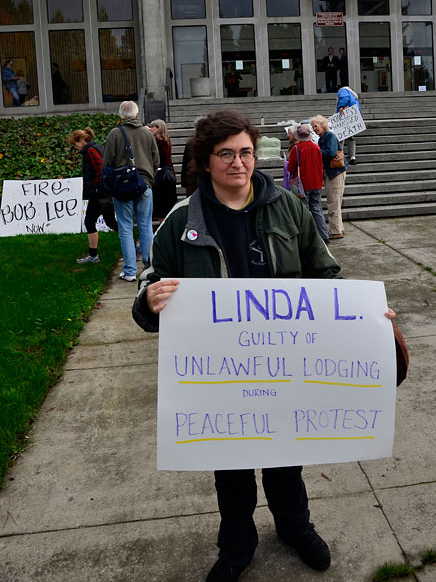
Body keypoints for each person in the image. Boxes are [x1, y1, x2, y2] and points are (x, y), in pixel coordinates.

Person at [131, 110, 405, 581]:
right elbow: (150, 282)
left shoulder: (289, 208)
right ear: (206, 160)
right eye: (225, 154)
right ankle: (236, 548)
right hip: (221, 377)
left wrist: (365, 316)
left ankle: (296, 528)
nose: (237, 163)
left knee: (285, 462)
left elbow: (325, 274)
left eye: (245, 152)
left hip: (284, 371)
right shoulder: (180, 222)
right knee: (230, 469)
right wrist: (149, 300)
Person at [102, 101, 159, 281]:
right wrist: (149, 178)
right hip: (144, 184)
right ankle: (149, 267)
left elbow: (107, 162)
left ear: (121, 114)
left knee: (125, 227)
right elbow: (156, 160)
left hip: (122, 185)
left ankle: (129, 271)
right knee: (145, 226)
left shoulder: (115, 134)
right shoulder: (147, 133)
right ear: (136, 113)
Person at [69, 127, 118, 263]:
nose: (75, 147)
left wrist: (96, 188)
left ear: (82, 140)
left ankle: (93, 255)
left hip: (98, 194)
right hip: (103, 193)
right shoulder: (94, 149)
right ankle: (134, 245)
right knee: (110, 222)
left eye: (75, 143)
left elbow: (100, 170)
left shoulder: (90, 151)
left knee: (89, 221)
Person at [287, 123, 328, 243]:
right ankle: (324, 235)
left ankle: (306, 237)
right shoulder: (316, 147)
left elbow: (290, 168)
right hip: (317, 182)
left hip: (303, 184)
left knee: (304, 211)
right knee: (317, 209)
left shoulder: (296, 149)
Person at [311, 114, 348, 240]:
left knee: (333, 202)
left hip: (335, 172)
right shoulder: (323, 138)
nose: (314, 129)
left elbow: (331, 152)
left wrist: (316, 152)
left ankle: (335, 230)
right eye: (313, 127)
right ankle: (338, 228)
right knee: (335, 201)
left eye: (315, 126)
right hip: (332, 172)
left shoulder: (329, 136)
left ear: (323, 125)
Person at [150, 119, 178, 219]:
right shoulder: (166, 140)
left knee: (161, 208)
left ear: (159, 128)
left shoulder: (158, 141)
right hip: (168, 174)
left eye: (154, 127)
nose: (151, 128)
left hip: (161, 176)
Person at [336, 86, 362, 164]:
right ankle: (352, 157)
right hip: (353, 115)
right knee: (351, 137)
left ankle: (340, 156)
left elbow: (344, 97)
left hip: (345, 115)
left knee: (341, 137)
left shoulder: (342, 90)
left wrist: (342, 106)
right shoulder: (353, 95)